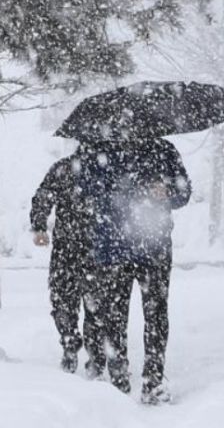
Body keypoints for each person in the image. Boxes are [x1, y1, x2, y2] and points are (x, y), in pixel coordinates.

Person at [78, 138, 190, 405]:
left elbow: (184, 192)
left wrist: (168, 192)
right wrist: (123, 193)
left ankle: (153, 381)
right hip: (115, 249)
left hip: (155, 248)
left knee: (156, 314)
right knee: (115, 316)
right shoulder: (100, 151)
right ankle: (118, 381)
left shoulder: (164, 150)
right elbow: (86, 191)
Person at [30, 152, 103, 377]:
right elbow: (44, 196)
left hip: (72, 248)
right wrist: (39, 225)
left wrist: (40, 224)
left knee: (67, 301)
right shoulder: (104, 168)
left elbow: (43, 196)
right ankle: (90, 353)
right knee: (92, 305)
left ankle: (75, 346)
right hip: (92, 248)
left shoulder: (65, 168)